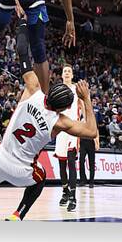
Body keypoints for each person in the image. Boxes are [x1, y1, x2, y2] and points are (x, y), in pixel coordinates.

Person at [0, 1, 97, 221]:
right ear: (65, 108)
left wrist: (23, 23)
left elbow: (22, 52)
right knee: (41, 178)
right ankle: (18, 215)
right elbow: (91, 132)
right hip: (21, 171)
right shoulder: (60, 122)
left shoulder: (33, 91)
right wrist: (87, 99)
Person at [54, 65, 82, 211]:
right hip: (61, 129)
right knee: (61, 163)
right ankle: (65, 191)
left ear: (72, 75)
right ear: (62, 74)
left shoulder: (77, 89)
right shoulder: (57, 89)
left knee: (71, 162)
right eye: (64, 71)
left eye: (69, 71)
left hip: (73, 128)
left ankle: (73, 196)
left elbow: (83, 106)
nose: (66, 73)